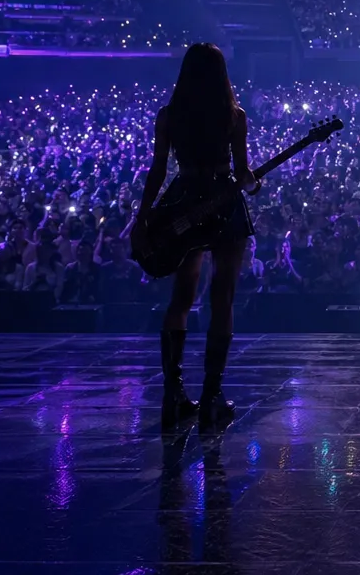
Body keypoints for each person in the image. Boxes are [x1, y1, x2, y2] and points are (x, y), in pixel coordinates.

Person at [135, 43, 259, 431]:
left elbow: (157, 170)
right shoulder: (233, 116)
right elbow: (243, 173)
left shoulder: (169, 116)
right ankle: (211, 395)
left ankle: (173, 393)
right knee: (222, 297)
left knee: (182, 297)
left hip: (183, 202)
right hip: (223, 205)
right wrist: (250, 183)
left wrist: (142, 216)